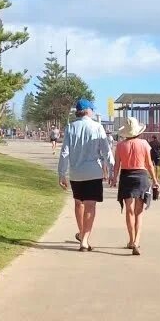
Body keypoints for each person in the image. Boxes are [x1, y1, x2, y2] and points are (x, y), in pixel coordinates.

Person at [57, 99, 113, 251]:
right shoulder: (97, 127)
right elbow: (106, 151)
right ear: (88, 110)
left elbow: (64, 152)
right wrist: (112, 170)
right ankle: (85, 239)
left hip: (76, 172)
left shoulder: (71, 127)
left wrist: (61, 173)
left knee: (78, 203)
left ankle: (82, 233)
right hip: (93, 171)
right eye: (92, 110)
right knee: (90, 205)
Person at [110, 117, 159, 256]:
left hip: (126, 177)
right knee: (139, 212)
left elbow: (117, 165)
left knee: (129, 211)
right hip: (141, 176)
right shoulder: (144, 144)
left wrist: (114, 179)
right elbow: (149, 164)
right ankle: (137, 241)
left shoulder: (119, 145)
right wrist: (155, 180)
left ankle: (131, 240)